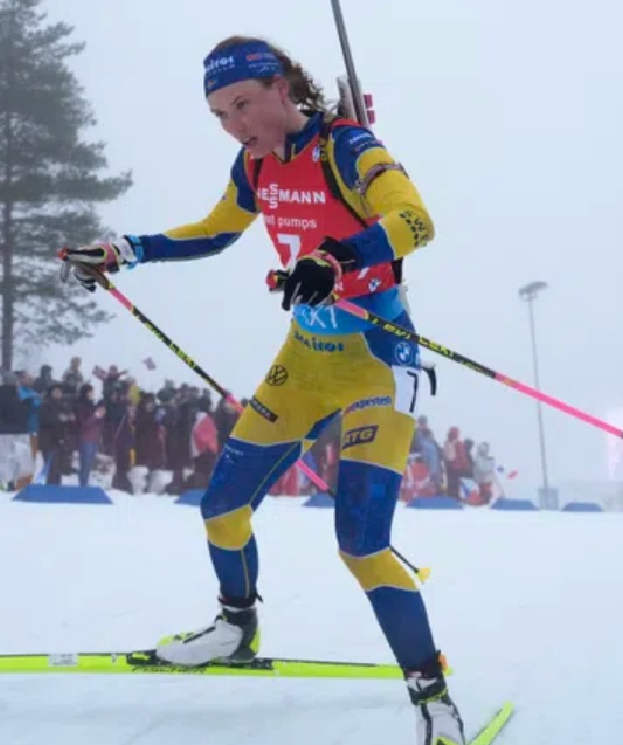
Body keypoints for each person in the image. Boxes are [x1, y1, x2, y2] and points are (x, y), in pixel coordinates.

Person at [60, 35, 465, 744]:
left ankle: (432, 696)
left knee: (361, 543)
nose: (235, 123)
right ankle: (234, 626)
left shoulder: (350, 149)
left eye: (243, 103)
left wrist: (336, 256)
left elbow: (415, 222)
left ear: (283, 87)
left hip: (377, 357)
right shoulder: (252, 165)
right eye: (220, 113)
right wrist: (127, 248)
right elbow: (218, 231)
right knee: (221, 508)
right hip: (306, 359)